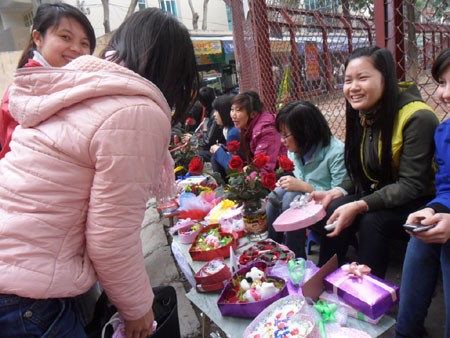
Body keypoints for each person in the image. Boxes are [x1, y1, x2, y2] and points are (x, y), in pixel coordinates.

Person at [0, 7, 199, 338]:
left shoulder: (81, 87)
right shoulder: (136, 110)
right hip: (26, 297)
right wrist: (137, 309)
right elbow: (111, 237)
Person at [310, 46, 439, 278]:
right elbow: (359, 168)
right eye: (347, 80)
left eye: (362, 78)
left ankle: (368, 294)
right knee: (331, 207)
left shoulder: (417, 117)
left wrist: (360, 204)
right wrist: (338, 190)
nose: (353, 87)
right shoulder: (364, 113)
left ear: (386, 78)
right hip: (383, 192)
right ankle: (326, 279)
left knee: (372, 219)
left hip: (419, 201)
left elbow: (411, 185)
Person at [396, 48, 450, 338]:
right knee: (422, 236)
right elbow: (447, 187)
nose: (444, 93)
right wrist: (434, 209)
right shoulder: (444, 133)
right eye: (442, 83)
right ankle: (406, 332)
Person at [0, 3, 96, 159]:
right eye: (65, 37)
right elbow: (19, 156)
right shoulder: (20, 95)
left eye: (84, 43)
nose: (77, 49)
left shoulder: (81, 85)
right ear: (38, 38)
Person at [266, 100, 346, 258]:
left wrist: (305, 187)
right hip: (306, 200)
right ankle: (272, 249)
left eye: (286, 135)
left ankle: (296, 259)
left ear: (305, 132)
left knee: (290, 198)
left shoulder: (336, 152)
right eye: (280, 134)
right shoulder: (295, 150)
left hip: (326, 209)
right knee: (275, 196)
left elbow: (339, 194)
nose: (282, 140)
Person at [230, 90, 286, 173]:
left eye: (238, 110)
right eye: (232, 110)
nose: (233, 115)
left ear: (253, 114)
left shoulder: (266, 130)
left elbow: (264, 168)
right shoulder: (246, 126)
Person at [182, 86, 225, 162]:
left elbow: (208, 140)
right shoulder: (208, 111)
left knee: (192, 155)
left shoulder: (214, 115)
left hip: (217, 147)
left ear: (202, 102)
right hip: (211, 145)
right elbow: (204, 131)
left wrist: (192, 139)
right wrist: (194, 137)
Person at [209, 94, 240, 180]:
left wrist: (217, 150)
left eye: (217, 111)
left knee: (214, 157)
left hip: (239, 176)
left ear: (224, 112)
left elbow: (231, 166)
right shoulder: (230, 129)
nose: (214, 114)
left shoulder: (233, 133)